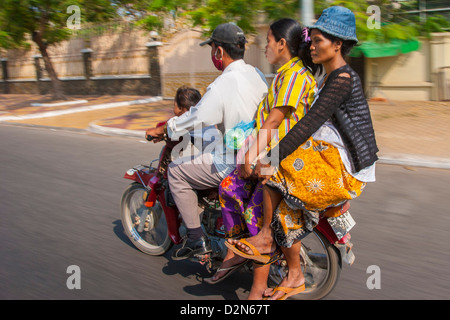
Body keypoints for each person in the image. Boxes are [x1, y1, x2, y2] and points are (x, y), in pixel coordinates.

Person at [227, 6, 379, 300]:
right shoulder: (326, 78)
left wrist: (268, 156)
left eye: (319, 40)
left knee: (274, 166)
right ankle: (294, 274)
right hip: (324, 156)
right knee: (284, 216)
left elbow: (308, 125)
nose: (312, 45)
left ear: (337, 44)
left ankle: (265, 239)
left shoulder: (343, 79)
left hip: (343, 166)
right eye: (312, 40)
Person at [206, 19, 317, 299]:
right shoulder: (282, 74)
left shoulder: (294, 76)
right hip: (273, 153)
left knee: (254, 211)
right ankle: (238, 248)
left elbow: (275, 120)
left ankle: (257, 286)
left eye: (268, 40)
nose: (264, 46)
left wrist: (253, 156)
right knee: (228, 187)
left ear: (282, 44)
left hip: (284, 156)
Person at [145, 23, 268, 260]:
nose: (213, 54)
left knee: (176, 171)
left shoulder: (222, 84)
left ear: (219, 52)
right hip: (262, 152)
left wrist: (166, 128)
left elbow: (198, 116)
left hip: (233, 161)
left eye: (213, 49)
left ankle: (195, 238)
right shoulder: (258, 74)